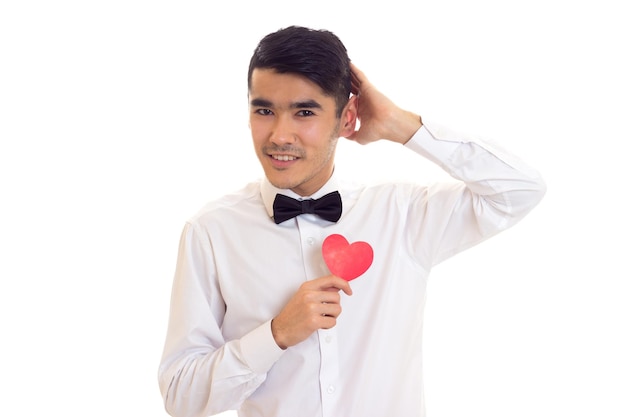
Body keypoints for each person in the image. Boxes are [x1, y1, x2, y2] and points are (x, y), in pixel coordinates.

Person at [158, 25, 546, 417]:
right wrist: (275, 336)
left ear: (347, 119)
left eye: (304, 112)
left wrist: (401, 126)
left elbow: (520, 189)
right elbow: (180, 397)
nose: (279, 134)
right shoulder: (211, 232)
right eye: (264, 111)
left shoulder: (403, 216)